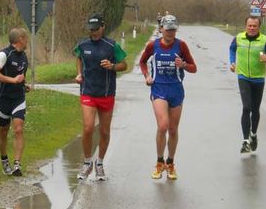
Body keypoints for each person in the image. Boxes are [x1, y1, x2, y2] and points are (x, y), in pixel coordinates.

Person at [139, 14, 197, 180]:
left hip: (176, 90)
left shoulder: (181, 46)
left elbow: (194, 68)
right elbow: (142, 62)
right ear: (161, 29)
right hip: (159, 89)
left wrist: (184, 65)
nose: (170, 33)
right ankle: (159, 162)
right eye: (167, 30)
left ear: (176, 30)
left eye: (173, 30)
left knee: (173, 129)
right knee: (163, 126)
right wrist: (147, 76)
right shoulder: (153, 45)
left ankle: (170, 163)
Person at [74, 13, 127, 180]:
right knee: (88, 127)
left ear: (103, 27)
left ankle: (100, 163)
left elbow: (124, 64)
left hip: (106, 92)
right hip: (88, 91)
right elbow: (78, 58)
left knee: (104, 132)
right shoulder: (83, 44)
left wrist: (112, 66)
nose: (94, 32)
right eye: (91, 29)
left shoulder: (112, 45)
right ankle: (87, 162)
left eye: (96, 29)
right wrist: (79, 74)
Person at [229, 16, 266, 153]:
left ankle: (253, 134)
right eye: (249, 25)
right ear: (245, 26)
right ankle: (245, 141)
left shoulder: (265, 41)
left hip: (258, 79)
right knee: (246, 107)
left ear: (259, 27)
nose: (252, 28)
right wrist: (232, 62)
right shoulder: (239, 38)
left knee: (255, 109)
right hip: (243, 77)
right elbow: (232, 49)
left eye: (254, 26)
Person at [0, 27, 30, 176]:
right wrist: (12, 80)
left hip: (18, 98)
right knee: (3, 131)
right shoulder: (3, 54)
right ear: (20, 40)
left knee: (18, 129)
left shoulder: (24, 56)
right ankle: (4, 160)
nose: (27, 42)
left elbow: (18, 77)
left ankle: (17, 164)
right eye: (26, 39)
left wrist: (23, 86)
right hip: (2, 99)